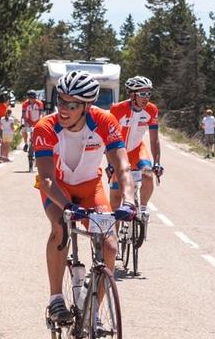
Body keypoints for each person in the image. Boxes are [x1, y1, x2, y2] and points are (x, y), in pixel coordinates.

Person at [33, 71, 136, 324]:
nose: (63, 109)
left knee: (110, 246)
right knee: (60, 226)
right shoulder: (45, 127)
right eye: (60, 100)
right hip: (57, 189)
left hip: (91, 188)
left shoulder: (105, 122)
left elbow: (122, 167)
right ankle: (56, 298)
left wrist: (130, 200)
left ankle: (93, 313)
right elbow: (46, 178)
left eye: (72, 104)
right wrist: (68, 206)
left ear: (87, 106)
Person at [110, 75, 162, 210]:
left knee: (148, 174)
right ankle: (115, 230)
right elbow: (107, 138)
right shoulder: (117, 109)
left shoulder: (152, 110)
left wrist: (157, 163)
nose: (146, 97)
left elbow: (154, 139)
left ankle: (143, 210)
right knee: (116, 197)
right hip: (119, 152)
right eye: (143, 94)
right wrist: (111, 163)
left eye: (149, 94)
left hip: (137, 150)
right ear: (132, 95)